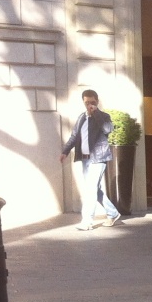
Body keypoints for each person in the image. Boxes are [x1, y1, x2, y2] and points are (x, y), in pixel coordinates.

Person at [59, 89, 122, 231]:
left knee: (90, 190)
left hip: (98, 158)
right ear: (83, 102)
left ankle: (87, 221)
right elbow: (74, 136)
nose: (89, 105)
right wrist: (65, 151)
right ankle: (113, 213)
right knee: (94, 189)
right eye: (87, 103)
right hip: (85, 159)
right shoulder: (81, 117)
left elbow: (107, 130)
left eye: (92, 102)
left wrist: (96, 113)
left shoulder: (104, 116)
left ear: (97, 102)